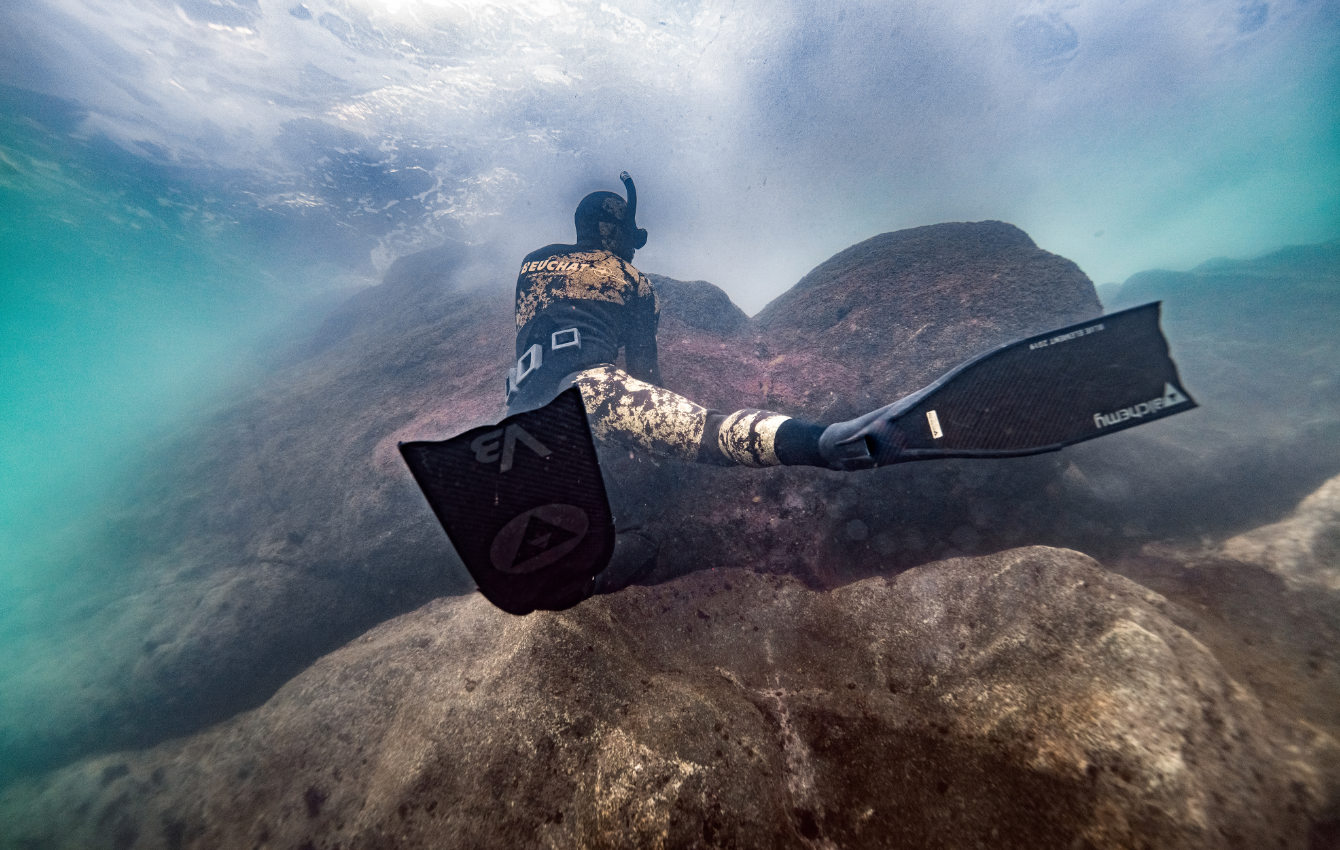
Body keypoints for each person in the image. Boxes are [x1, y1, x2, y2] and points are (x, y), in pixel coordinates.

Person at [506, 172, 905, 472]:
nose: (634, 248)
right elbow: (644, 372)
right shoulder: (632, 281)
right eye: (632, 236)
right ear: (611, 230)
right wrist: (650, 437)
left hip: (521, 403)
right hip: (589, 396)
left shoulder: (532, 262)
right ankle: (830, 442)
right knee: (714, 433)